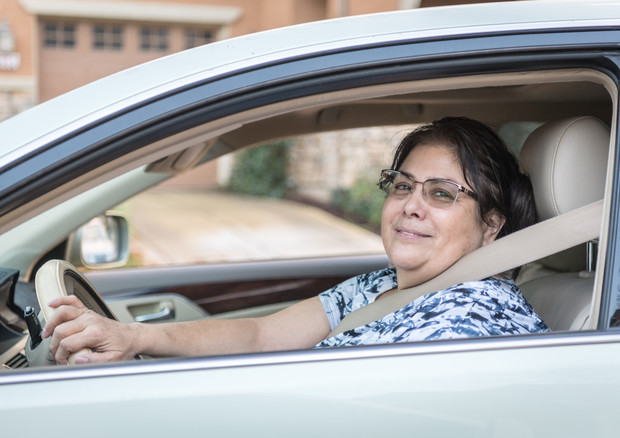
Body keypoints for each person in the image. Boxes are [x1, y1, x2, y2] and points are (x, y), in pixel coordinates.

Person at [41, 117, 549, 364]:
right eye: (402, 185)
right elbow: (263, 336)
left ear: (491, 224)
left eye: (442, 194)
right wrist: (137, 338)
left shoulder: (477, 318)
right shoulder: (380, 286)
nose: (410, 205)